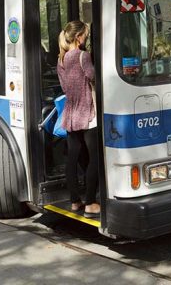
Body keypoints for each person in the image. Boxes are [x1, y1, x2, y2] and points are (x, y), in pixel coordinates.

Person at [57, 20, 100, 217]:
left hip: (71, 114)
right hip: (88, 114)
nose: (87, 38)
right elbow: (93, 78)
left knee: (72, 158)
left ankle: (75, 201)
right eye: (85, 34)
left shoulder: (61, 60)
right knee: (95, 158)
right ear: (78, 37)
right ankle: (90, 203)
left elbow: (65, 89)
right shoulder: (83, 56)